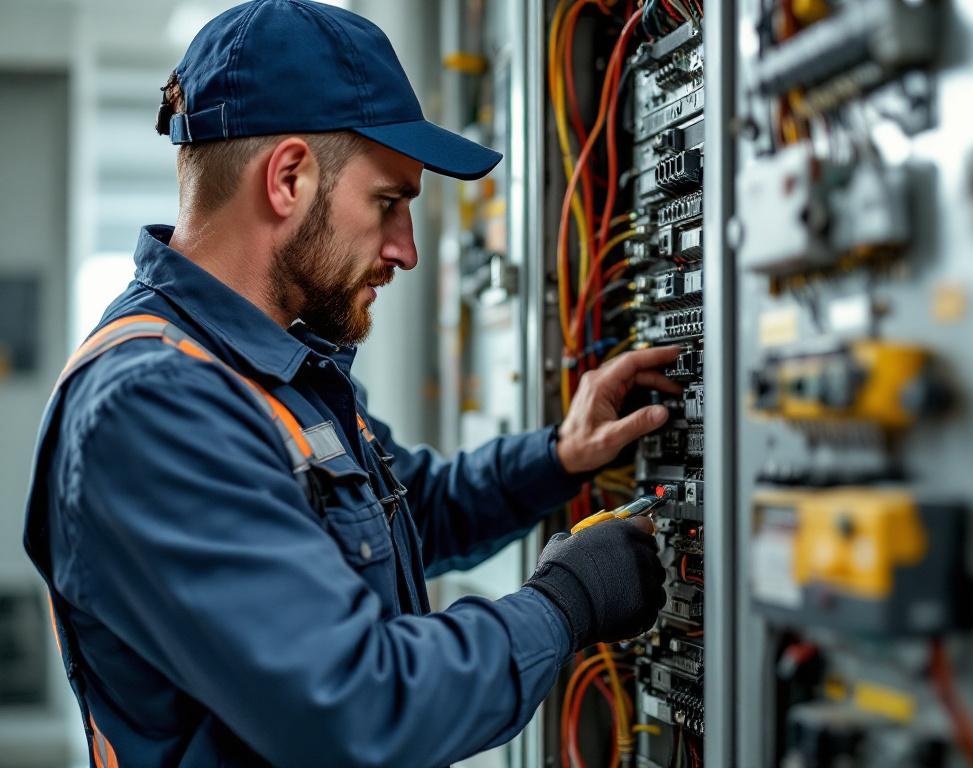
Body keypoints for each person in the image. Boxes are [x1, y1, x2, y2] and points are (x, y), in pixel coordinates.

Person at [23, 2, 680, 766]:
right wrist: (566, 604)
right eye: (389, 203)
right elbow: (358, 709)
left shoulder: (272, 374)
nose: (406, 250)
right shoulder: (151, 409)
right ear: (289, 178)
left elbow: (409, 510)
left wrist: (561, 456)